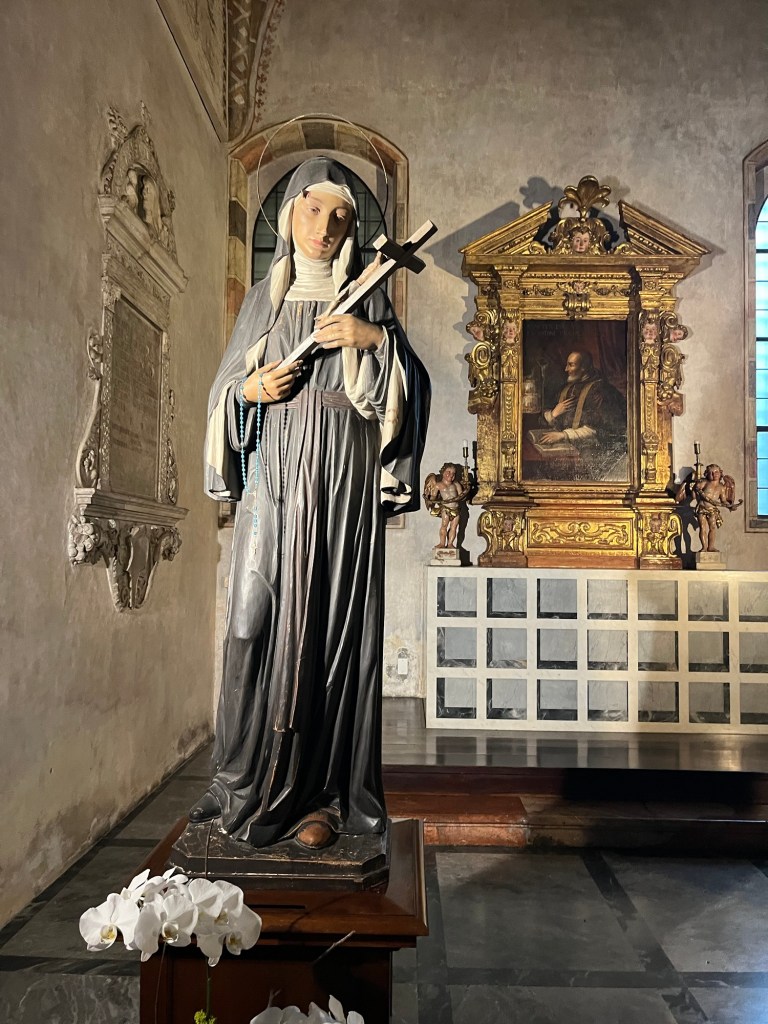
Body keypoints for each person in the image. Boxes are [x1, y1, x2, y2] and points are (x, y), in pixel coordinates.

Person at [193, 157, 430, 850]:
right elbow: (224, 391)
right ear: (289, 214)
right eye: (313, 209)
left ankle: (322, 796)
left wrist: (372, 339)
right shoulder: (262, 302)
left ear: (352, 228)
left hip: (342, 473)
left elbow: (412, 388)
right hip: (274, 470)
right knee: (250, 621)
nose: (324, 227)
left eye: (340, 216)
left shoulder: (368, 293)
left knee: (331, 623)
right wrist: (249, 392)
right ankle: (236, 778)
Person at [537, 349, 626, 479]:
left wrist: (563, 435)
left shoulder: (600, 391)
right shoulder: (568, 387)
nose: (566, 369)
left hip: (597, 453)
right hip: (571, 448)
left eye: (571, 365)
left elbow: (599, 429)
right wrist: (553, 414)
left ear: (583, 367)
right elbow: (547, 418)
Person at [423, 463, 469, 548]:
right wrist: (429, 498)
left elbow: (461, 496)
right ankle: (442, 543)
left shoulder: (456, 484)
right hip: (446, 508)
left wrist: (465, 492)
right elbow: (433, 497)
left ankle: (450, 543)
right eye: (449, 472)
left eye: (453, 473)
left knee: (454, 527)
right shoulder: (438, 485)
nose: (451, 475)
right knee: (444, 526)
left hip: (456, 509)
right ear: (443, 472)